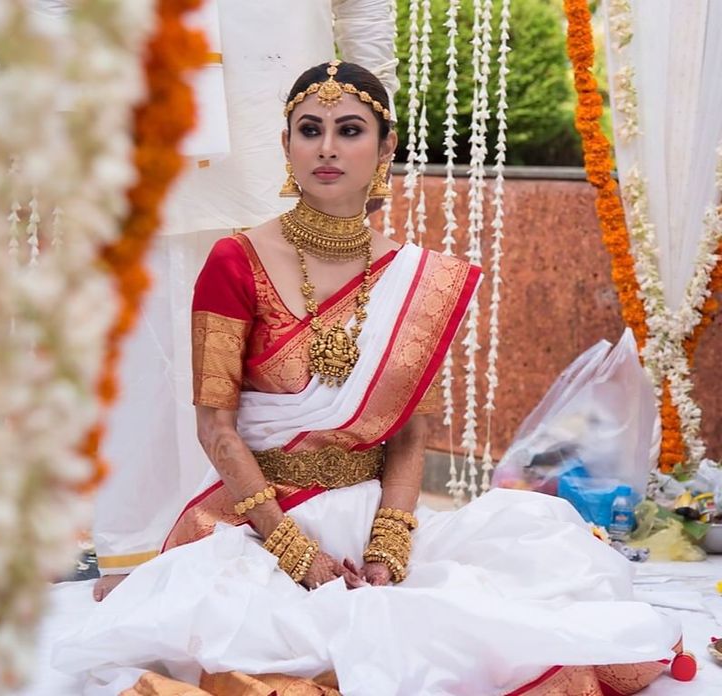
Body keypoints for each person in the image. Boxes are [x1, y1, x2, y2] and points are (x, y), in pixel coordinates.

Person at [54, 62, 681, 696]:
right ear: (286, 146)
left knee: (511, 587)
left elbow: (410, 431)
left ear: (384, 148)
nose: (327, 147)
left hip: (370, 515)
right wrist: (294, 552)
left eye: (349, 129)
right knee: (274, 640)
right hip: (254, 522)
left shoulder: (417, 280)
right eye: (309, 129)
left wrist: (389, 543)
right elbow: (216, 427)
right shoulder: (233, 261)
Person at [92, 0, 399, 600]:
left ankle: (280, 543)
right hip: (133, 120)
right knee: (141, 354)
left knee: (284, 361)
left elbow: (364, 10)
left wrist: (373, 129)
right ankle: (145, 550)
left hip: (284, 128)